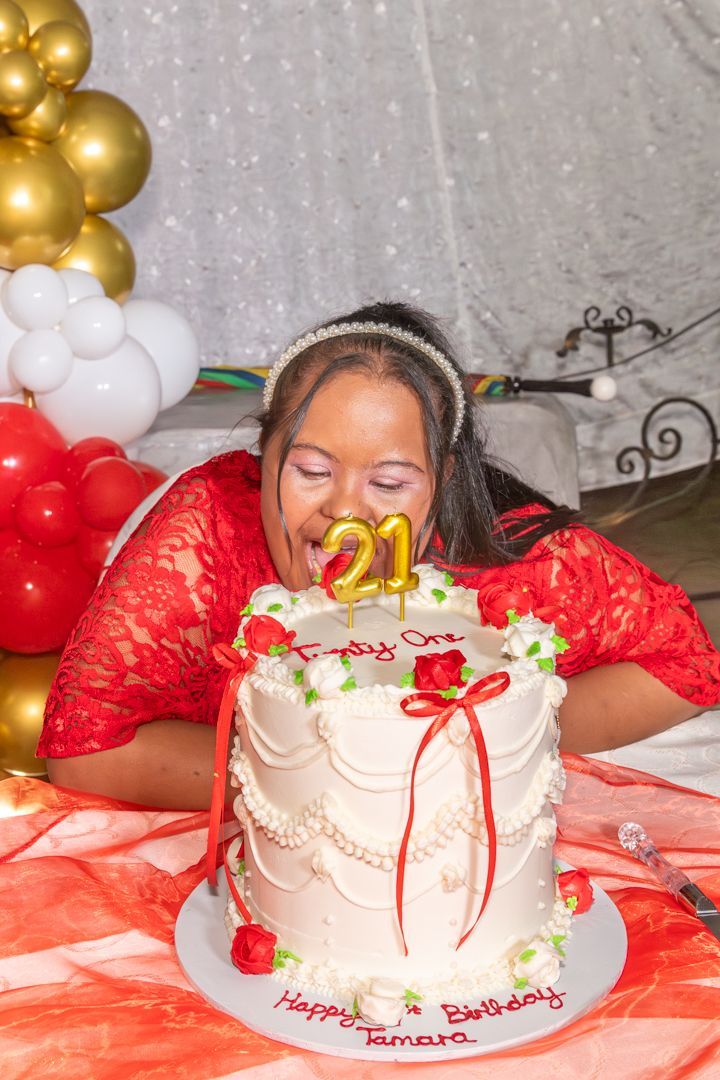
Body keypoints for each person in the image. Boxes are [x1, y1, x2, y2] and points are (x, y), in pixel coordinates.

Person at [39, 301, 720, 809]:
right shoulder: (209, 531)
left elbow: (684, 667)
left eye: (389, 484)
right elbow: (84, 751)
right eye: (310, 470)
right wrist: (324, 770)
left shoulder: (508, 562)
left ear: (444, 481)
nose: (346, 514)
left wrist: (491, 738)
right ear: (262, 454)